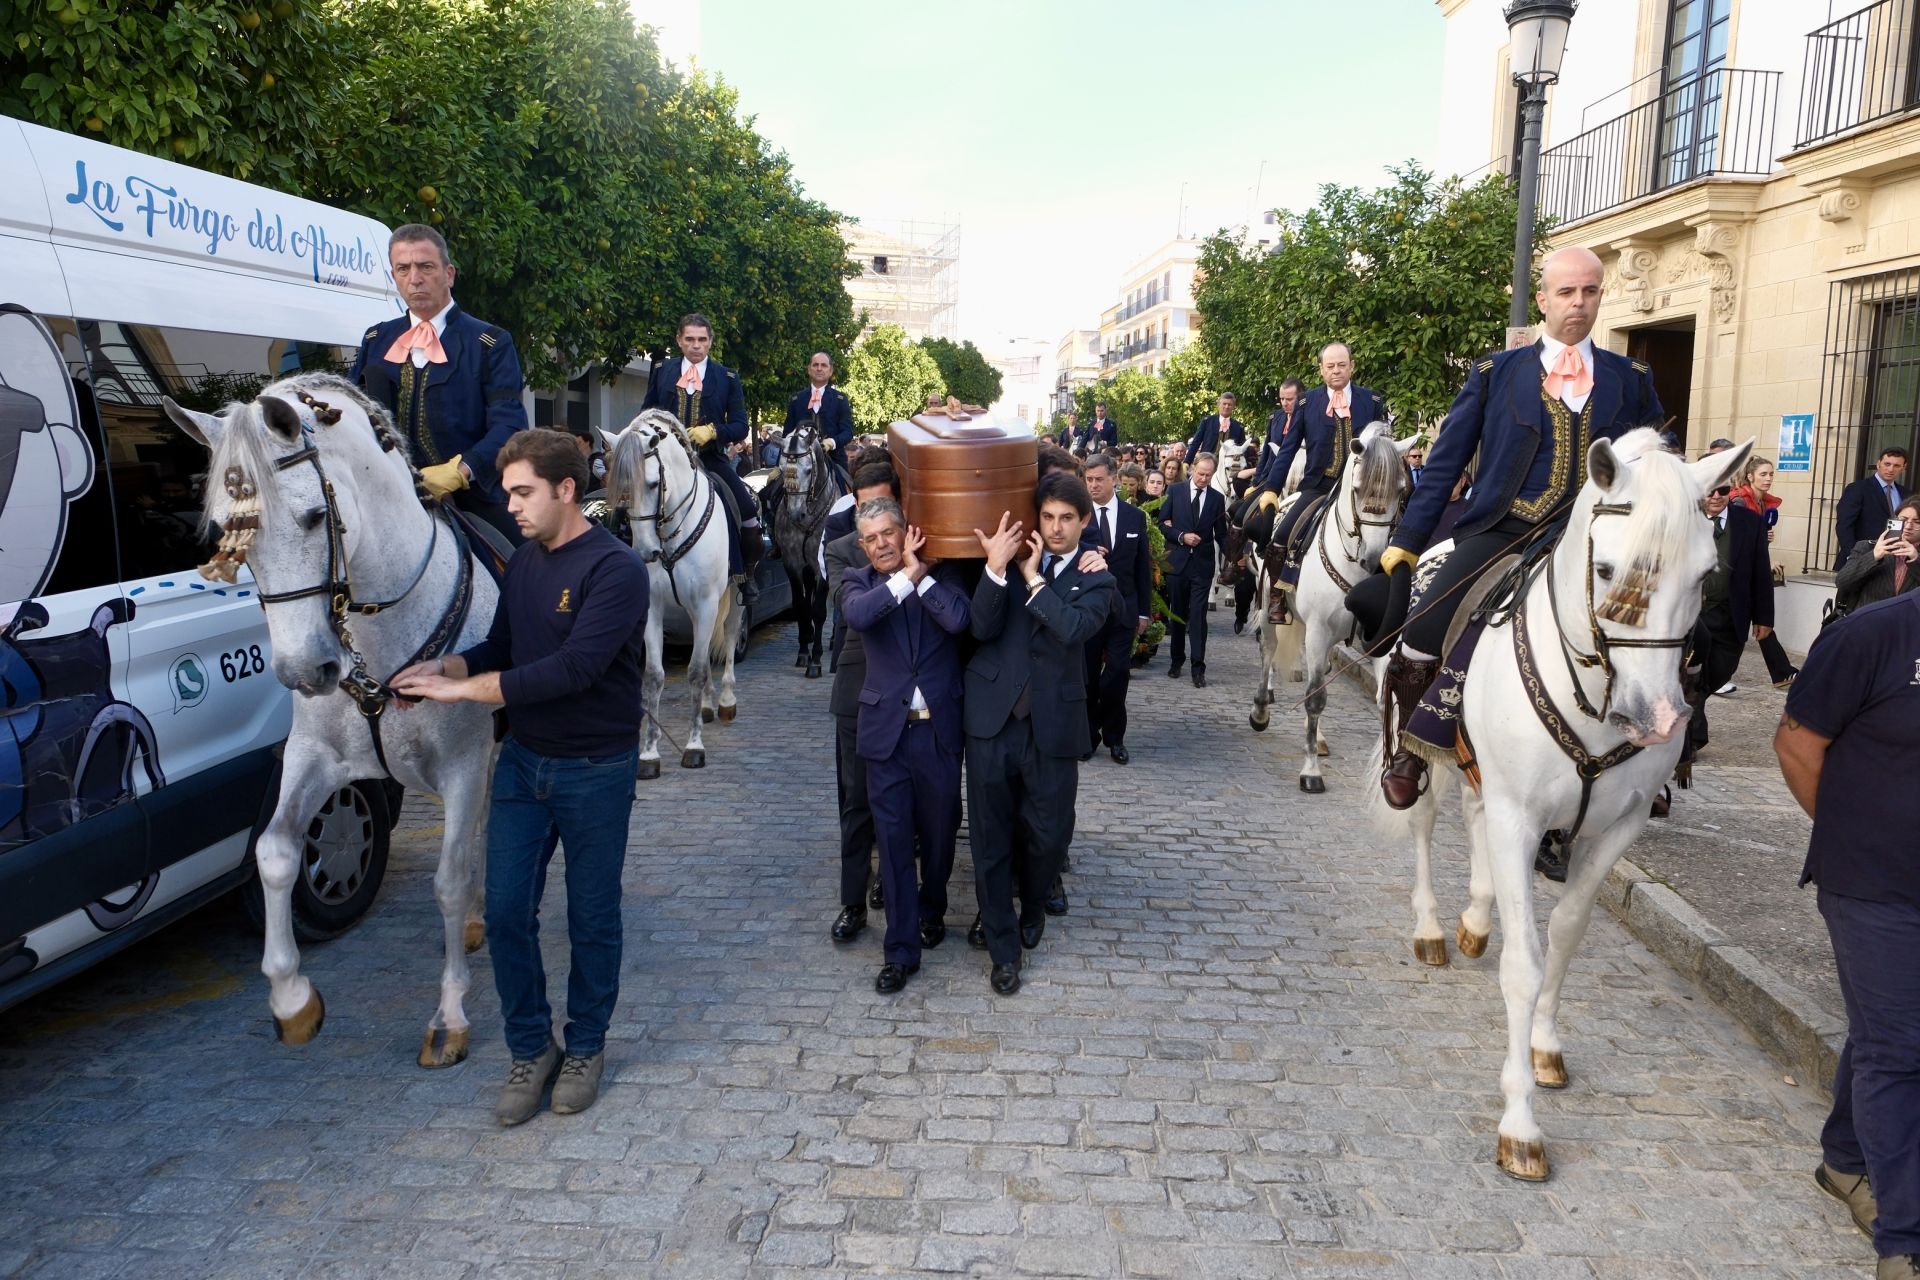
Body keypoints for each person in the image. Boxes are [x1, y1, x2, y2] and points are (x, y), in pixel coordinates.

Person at [391, 428, 647, 1126]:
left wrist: (468, 694)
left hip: (596, 768)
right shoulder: (527, 563)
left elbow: (573, 671)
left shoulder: (616, 570)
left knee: (593, 919)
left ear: (567, 490)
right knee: (503, 914)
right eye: (506, 493)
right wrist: (444, 670)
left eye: (523, 492)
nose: (511, 507)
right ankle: (532, 1049)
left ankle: (586, 1047)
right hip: (524, 766)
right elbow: (503, 646)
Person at [1370, 246, 1663, 809]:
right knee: (1425, 627)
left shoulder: (1633, 379)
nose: (1579, 303)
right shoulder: (1494, 373)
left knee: (1666, 628)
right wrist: (1407, 541)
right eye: (1566, 292)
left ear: (1602, 294)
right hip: (1505, 528)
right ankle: (1410, 747)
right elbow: (1445, 464)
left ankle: (1654, 756)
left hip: (1601, 540)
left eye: (1590, 291)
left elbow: (1654, 466)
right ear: (1543, 299)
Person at [1773, 589, 1920, 1280]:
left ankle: (1844, 1160)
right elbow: (1797, 742)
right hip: (1872, 884)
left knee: (1882, 1027)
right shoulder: (1872, 635)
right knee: (1900, 1049)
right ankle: (1905, 1240)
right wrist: (1853, 835)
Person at [965, 477, 1118, 995]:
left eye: (1066, 519)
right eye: (1048, 516)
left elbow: (1074, 629)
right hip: (991, 719)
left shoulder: (1097, 576)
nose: (1054, 528)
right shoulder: (1009, 555)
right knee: (989, 838)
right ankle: (1003, 949)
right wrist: (996, 569)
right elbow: (980, 629)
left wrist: (1034, 582)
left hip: (1053, 724)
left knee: (1047, 835)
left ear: (1084, 522)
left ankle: (1032, 905)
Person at [841, 500, 970, 993]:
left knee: (939, 833)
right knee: (893, 842)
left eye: (887, 534)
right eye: (870, 539)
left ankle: (931, 908)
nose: (880, 545)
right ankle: (899, 949)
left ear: (905, 531)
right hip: (885, 737)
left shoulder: (944, 572)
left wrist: (923, 576)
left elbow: (959, 621)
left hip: (937, 731)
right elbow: (859, 616)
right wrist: (904, 579)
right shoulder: (860, 584)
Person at [349, 224, 530, 544]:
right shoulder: (376, 339)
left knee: (524, 565)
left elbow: (510, 424)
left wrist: (460, 471)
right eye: (403, 268)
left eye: (425, 266)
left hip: (472, 497)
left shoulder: (489, 343)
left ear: (449, 274)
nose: (414, 278)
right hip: (386, 494)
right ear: (394, 277)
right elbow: (351, 416)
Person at [822, 464, 906, 943]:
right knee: (856, 803)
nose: (874, 513)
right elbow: (849, 609)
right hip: (860, 689)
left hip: (912, 690)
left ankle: (897, 885)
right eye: (865, 504)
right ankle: (852, 901)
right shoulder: (840, 551)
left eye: (884, 503)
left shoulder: (914, 541)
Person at [1260, 343, 1389, 613]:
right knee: (1282, 535)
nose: (1336, 371)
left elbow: (1382, 450)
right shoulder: (1307, 403)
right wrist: (1272, 487)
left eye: (1342, 365)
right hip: (1319, 487)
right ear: (1321, 370)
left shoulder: (1373, 401)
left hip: (1361, 491)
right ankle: (1278, 597)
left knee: (1391, 534)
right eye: (1330, 366)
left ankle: (1386, 604)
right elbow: (1288, 448)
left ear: (1352, 366)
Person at [641, 313, 761, 592]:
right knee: (627, 509)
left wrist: (714, 431)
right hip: (665, 460)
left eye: (702, 340)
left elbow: (740, 426)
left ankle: (745, 577)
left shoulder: (727, 377)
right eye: (690, 339)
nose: (696, 345)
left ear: (710, 342)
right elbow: (646, 412)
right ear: (679, 341)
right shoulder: (662, 369)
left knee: (747, 512)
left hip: (708, 459)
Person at [1684, 478, 1774, 758]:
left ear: (1731, 492)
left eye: (1723, 490)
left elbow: (1761, 572)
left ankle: (1692, 712)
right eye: (1709, 490)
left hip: (1730, 615)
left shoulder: (1750, 522)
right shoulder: (1684, 519)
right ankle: (1691, 738)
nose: (1716, 496)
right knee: (1691, 676)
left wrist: (1764, 618)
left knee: (1721, 671)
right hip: (1690, 616)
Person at [1082, 453, 1153, 765]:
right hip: (1086, 611)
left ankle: (1115, 738)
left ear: (1114, 479)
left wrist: (1143, 612)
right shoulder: (1078, 517)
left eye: (1099, 479)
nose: (1094, 485)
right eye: (1089, 480)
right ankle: (1087, 736)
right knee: (1087, 679)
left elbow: (1142, 569)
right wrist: (1083, 550)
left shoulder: (1134, 517)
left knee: (1116, 675)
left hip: (1124, 610)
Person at [1160, 452, 1227, 687]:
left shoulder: (1218, 499)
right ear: (1192, 470)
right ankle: (1176, 660)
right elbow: (1161, 523)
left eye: (1208, 476)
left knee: (1198, 617)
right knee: (1178, 614)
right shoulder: (1175, 491)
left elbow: (1222, 534)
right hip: (1177, 563)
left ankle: (1198, 668)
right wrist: (1180, 536)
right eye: (1200, 474)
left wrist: (1235, 557)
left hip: (1202, 566)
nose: (1203, 479)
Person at [1731, 455, 1799, 687]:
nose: (1768, 479)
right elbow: (1737, 544)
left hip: (1753, 569)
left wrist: (1765, 543)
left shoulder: (1762, 503)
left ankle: (1782, 672)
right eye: (1763, 474)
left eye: (1771, 474)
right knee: (1746, 620)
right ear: (1750, 476)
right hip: (1739, 572)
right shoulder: (1739, 502)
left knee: (1762, 619)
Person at [1835, 493, 1920, 612]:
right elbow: (1842, 582)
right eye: (1903, 520)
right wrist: (1873, 556)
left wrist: (1916, 560)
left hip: (1907, 625)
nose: (1908, 526)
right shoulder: (1867, 547)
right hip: (1868, 622)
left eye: (1917, 522)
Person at [785, 351, 855, 481]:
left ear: (830, 371)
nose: (819, 368)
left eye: (824, 365)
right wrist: (779, 465)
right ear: (809, 370)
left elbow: (848, 431)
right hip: (799, 461)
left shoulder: (840, 399)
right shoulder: (796, 399)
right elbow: (787, 434)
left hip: (834, 460)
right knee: (773, 492)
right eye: (815, 365)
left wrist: (832, 442)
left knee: (849, 493)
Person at [1835, 446, 1910, 565]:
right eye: (1887, 464)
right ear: (1878, 464)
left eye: (1896, 466)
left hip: (1893, 562)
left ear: (1904, 468)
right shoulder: (1857, 489)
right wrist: (1853, 557)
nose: (1890, 469)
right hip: (1861, 559)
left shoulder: (1906, 494)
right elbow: (1844, 526)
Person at [1245, 379, 1305, 505]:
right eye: (1282, 399)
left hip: (1300, 480)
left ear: (1301, 397)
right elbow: (1266, 452)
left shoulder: (1309, 418)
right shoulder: (1275, 417)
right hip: (1270, 478)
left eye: (1289, 399)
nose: (1284, 403)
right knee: (1239, 513)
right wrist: (1256, 482)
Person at [1185, 392, 1246, 460]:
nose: (1226, 407)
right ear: (1218, 404)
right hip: (1207, 462)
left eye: (1229, 404)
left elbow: (1242, 449)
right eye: (1224, 404)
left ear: (1234, 407)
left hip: (1228, 465)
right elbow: (1195, 443)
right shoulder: (1207, 421)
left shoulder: (1239, 427)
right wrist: (1187, 462)